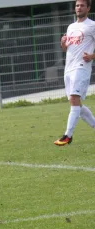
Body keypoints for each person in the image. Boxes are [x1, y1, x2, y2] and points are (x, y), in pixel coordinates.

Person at [55, 0, 95, 146]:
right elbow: (67, 49)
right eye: (77, 5)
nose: (79, 8)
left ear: (88, 8)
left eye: (82, 5)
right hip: (69, 68)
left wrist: (91, 56)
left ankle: (68, 135)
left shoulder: (92, 25)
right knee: (76, 103)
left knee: (74, 99)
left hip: (82, 67)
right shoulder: (71, 26)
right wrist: (63, 44)